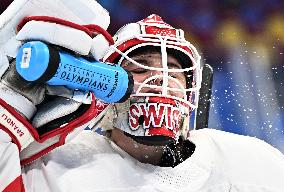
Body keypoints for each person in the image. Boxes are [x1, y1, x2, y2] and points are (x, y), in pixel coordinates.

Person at [1, 3, 284, 192]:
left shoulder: (253, 161)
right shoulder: (57, 165)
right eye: (139, 67)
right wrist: (7, 122)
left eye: (174, 71)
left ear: (191, 92)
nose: (160, 78)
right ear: (103, 89)